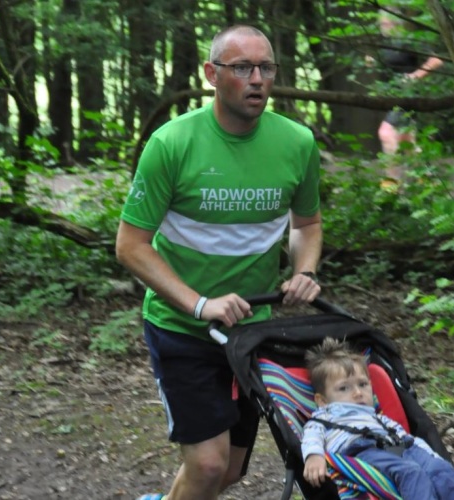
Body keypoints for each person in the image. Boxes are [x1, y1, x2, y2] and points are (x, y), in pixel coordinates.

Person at [115, 25, 323, 500]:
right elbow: (130, 245)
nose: (257, 79)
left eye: (266, 68)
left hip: (251, 331)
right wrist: (199, 303)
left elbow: (307, 224)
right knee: (207, 466)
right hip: (180, 326)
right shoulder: (171, 144)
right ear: (212, 74)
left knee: (228, 470)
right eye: (242, 68)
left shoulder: (296, 142)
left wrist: (304, 271)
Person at [301, 337, 454, 500]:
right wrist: (313, 456)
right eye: (344, 388)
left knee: (441, 469)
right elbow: (311, 436)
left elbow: (410, 440)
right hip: (362, 453)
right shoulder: (322, 417)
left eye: (362, 384)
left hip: (397, 447)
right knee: (411, 472)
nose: (358, 393)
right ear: (322, 401)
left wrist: (433, 456)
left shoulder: (379, 419)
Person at [375, 10, 444, 185]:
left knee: (386, 132)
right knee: (407, 142)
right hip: (394, 97)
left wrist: (413, 77)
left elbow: (435, 61)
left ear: (396, 22)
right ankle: (428, 183)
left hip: (407, 97)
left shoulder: (407, 40)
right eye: (380, 23)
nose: (382, 26)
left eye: (385, 22)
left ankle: (392, 184)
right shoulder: (384, 44)